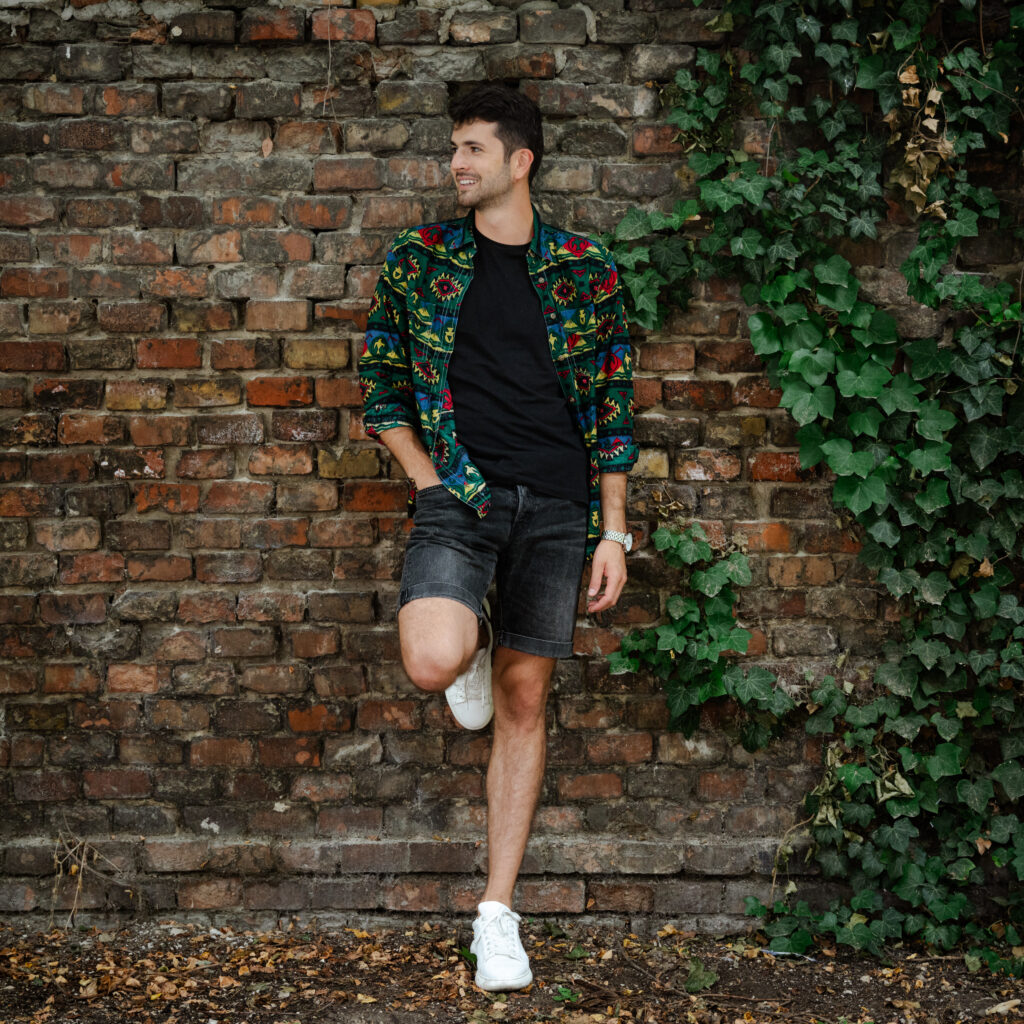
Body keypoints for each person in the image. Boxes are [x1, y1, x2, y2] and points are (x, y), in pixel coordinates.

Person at [358, 82, 637, 992]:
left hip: (557, 505)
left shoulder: (586, 268)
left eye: (473, 148)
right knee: (433, 658)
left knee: (523, 703)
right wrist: (427, 480)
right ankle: (469, 636)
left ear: (522, 161)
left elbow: (612, 405)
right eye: (454, 148)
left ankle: (496, 917)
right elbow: (381, 383)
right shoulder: (421, 259)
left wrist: (614, 531)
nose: (456, 163)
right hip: (460, 495)